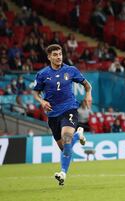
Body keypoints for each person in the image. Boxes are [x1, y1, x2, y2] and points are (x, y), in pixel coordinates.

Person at [32, 44, 92, 186]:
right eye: (55, 55)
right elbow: (35, 92)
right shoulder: (42, 74)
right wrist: (41, 101)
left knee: (66, 140)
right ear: (49, 57)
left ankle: (62, 173)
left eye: (60, 54)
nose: (58, 57)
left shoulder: (70, 70)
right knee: (65, 147)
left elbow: (87, 85)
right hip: (53, 115)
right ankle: (79, 134)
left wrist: (88, 95)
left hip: (69, 109)